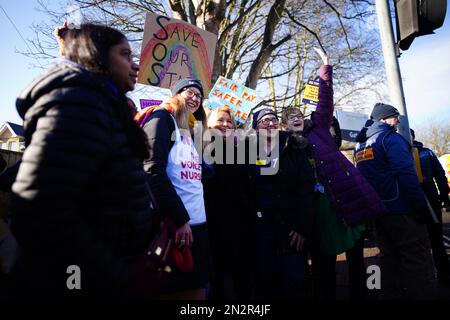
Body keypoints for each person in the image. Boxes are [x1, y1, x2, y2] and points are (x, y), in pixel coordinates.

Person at [9, 22, 156, 298]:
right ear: (97, 56)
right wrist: (112, 275)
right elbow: (40, 210)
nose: (135, 65)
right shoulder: (78, 102)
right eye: (125, 55)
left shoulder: (101, 104)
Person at [280, 48, 385, 300]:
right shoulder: (285, 146)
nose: (295, 118)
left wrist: (325, 68)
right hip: (317, 212)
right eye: (289, 118)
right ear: (284, 125)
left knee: (358, 257)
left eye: (297, 115)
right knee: (323, 262)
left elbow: (325, 100)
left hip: (345, 197)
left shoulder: (318, 130)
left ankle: (366, 292)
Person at [354, 103, 437, 299]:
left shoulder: (360, 145)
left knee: (388, 257)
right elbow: (406, 174)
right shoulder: (390, 139)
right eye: (395, 116)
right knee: (416, 257)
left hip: (378, 210)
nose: (398, 120)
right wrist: (420, 206)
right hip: (402, 209)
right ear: (383, 119)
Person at [141, 78, 210, 300]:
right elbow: (152, 171)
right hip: (176, 228)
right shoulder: (161, 119)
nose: (195, 98)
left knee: (197, 291)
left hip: (198, 228)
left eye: (199, 96)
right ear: (175, 95)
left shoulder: (189, 131)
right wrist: (179, 219)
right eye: (189, 92)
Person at [249, 107, 315, 299]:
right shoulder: (247, 152)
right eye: (264, 121)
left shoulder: (294, 147)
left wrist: (302, 227)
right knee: (267, 282)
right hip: (262, 230)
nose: (270, 123)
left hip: (291, 230)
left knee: (294, 283)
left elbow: (306, 189)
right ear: (256, 127)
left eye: (273, 120)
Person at [203, 106, 254, 299]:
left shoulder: (242, 149)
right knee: (216, 279)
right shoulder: (200, 148)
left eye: (229, 121)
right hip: (211, 224)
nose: (225, 125)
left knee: (242, 278)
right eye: (220, 120)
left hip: (241, 224)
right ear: (208, 123)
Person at [411, 129, 450, 284]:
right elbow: (440, 175)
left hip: (423, 201)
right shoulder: (424, 152)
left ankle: (438, 276)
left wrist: (444, 195)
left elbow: (440, 175)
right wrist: (444, 196)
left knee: (429, 239)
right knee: (430, 240)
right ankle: (439, 275)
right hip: (422, 201)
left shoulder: (425, 153)